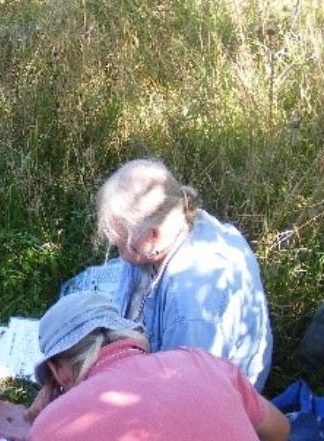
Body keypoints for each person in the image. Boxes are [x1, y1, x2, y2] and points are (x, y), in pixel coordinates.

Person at [26, 291, 309, 441]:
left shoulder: (55, 428)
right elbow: (280, 432)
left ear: (57, 370)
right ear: (125, 332)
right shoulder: (203, 363)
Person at [95, 158, 272, 390]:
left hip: (215, 395)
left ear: (153, 236)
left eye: (122, 244)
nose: (120, 254)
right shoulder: (182, 220)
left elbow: (185, 389)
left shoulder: (190, 308)